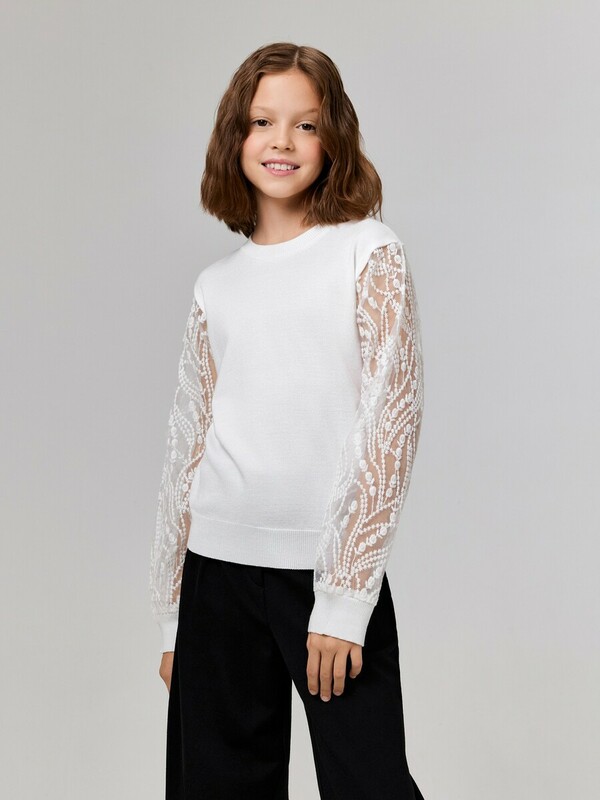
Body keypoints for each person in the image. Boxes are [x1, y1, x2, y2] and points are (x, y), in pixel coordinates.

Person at [149, 41, 426, 800]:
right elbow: (187, 446)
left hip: (323, 568)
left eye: (306, 124)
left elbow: (391, 422)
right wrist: (174, 618)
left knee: (369, 783)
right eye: (262, 122)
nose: (282, 141)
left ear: (333, 139)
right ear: (234, 137)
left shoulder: (368, 251)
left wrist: (344, 596)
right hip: (214, 575)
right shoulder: (216, 285)